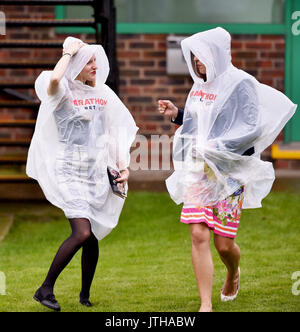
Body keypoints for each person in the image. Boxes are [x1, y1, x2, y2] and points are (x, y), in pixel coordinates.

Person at [158, 27, 296, 312]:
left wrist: (216, 147)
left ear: (218, 53)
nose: (197, 61)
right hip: (200, 171)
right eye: (194, 56)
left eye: (203, 55)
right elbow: (200, 124)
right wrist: (178, 115)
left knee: (223, 246)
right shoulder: (200, 87)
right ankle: (205, 305)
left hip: (230, 174)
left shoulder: (240, 84)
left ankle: (233, 271)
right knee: (197, 234)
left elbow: (250, 129)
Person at [26, 37, 138, 311]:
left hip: (95, 172)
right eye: (87, 61)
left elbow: (112, 132)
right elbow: (53, 81)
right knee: (82, 232)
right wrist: (68, 53)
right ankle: (45, 289)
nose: (93, 66)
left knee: (93, 234)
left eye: (94, 61)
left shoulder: (102, 94)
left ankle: (85, 296)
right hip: (68, 171)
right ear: (75, 65)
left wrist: (123, 167)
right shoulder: (62, 90)